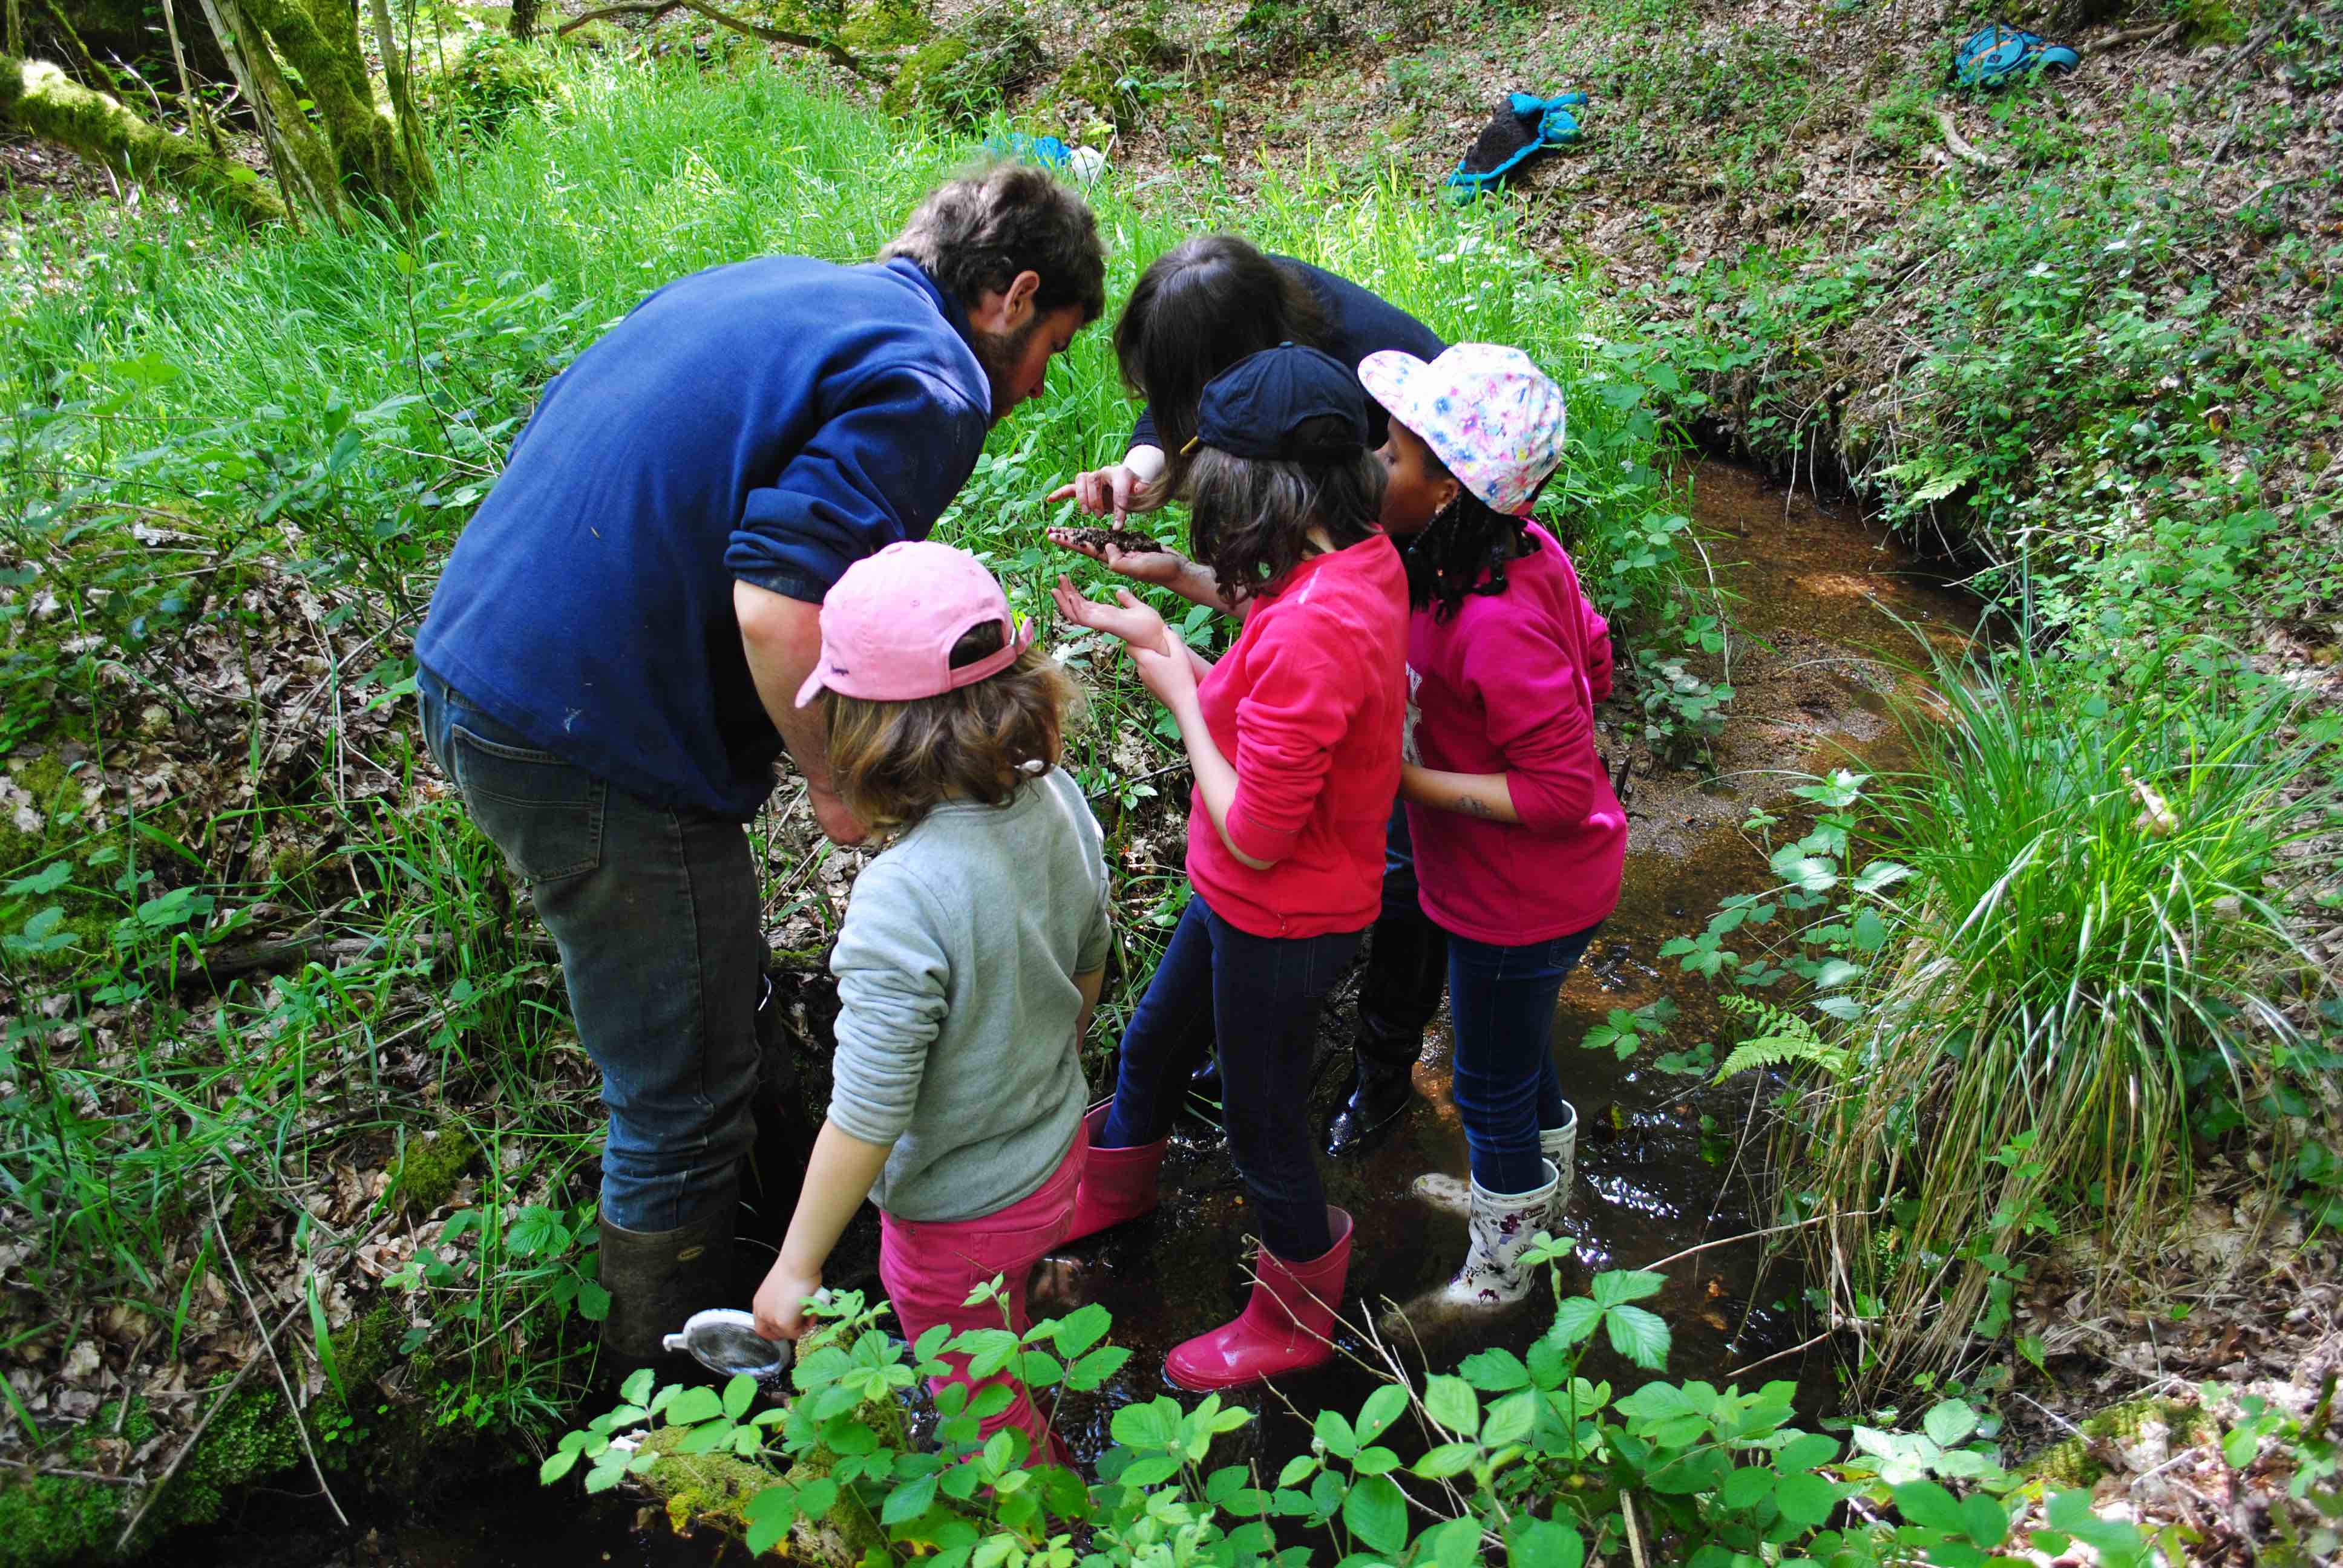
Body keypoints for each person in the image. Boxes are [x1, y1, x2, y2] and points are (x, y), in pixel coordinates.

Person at [413, 166, 1106, 1370]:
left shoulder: (782, 287)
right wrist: (837, 786)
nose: (1038, 387)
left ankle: (769, 1254)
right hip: (592, 739)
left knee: (700, 1001)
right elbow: (779, 601)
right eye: (1052, 349)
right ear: (1013, 297)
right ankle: (673, 1417)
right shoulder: (934, 377)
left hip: (482, 662)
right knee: (677, 1099)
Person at [1050, 344, 1407, 1391]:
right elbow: (1276, 633)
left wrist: (1172, 683)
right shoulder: (1359, 559)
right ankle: (1117, 1184)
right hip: (1243, 892)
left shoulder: (1316, 631)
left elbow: (1254, 825)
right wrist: (1174, 586)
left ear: (1268, 494)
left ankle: (1299, 1303)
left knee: (1262, 1121)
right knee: (1157, 1044)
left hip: (1283, 912)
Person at [1046, 232, 1447, 1159]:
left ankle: (1381, 1069)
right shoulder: (1250, 342)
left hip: (1426, 563)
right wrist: (1149, 481)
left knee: (1393, 848)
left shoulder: (1375, 410)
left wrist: (1187, 688)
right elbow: (1200, 424)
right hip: (1312, 615)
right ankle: (1240, 1044)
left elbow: (1265, 815)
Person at [747, 541, 1106, 1470]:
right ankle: (1023, 1307)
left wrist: (797, 1264)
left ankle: (1049, 1517)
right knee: (1006, 1307)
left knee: (980, 1408)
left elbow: (866, 1115)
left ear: (859, 729)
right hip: (1058, 1148)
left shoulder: (901, 900)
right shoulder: (1055, 796)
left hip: (957, 1213)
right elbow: (1090, 962)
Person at [1357, 344, 1625, 1318]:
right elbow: (1592, 659)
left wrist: (1411, 778)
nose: (1376, 464)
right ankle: (1531, 1207)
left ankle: (1500, 1274)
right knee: (1519, 1060)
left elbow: (1558, 794)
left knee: (1486, 1085)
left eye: (1394, 454)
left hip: (1523, 900)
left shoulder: (1496, 619)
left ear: (1444, 492)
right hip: (1505, 888)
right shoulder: (1506, 552)